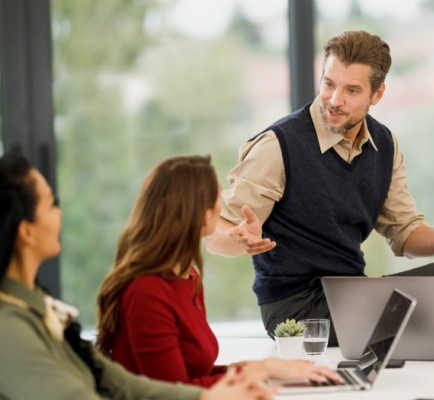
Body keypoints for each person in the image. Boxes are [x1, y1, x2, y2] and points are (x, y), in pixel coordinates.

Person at [204, 30, 434, 344]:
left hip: (351, 296)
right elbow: (217, 230)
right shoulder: (277, 145)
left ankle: (425, 377)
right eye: (329, 84)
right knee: (426, 306)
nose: (335, 100)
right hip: (295, 309)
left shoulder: (384, 144)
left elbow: (405, 234)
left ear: (377, 94)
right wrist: (238, 240)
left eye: (352, 90)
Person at [0, 152, 273, 400]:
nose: (60, 213)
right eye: (51, 204)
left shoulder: (37, 306)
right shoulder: (12, 326)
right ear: (26, 232)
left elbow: (121, 383)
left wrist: (245, 377)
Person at [95, 155, 342, 387]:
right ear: (198, 212)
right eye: (216, 194)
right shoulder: (146, 291)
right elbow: (173, 392)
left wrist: (261, 369)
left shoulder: (188, 276)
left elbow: (193, 373)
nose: (222, 199)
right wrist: (259, 372)